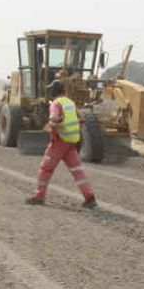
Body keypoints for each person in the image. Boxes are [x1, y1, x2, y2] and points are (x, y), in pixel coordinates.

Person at [25, 79, 97, 208]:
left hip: (59, 142)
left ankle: (39, 196)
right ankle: (89, 197)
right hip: (71, 143)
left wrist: (53, 137)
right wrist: (73, 133)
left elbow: (54, 120)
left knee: (45, 169)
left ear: (53, 91)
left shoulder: (56, 104)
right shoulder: (71, 103)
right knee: (77, 171)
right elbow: (81, 120)